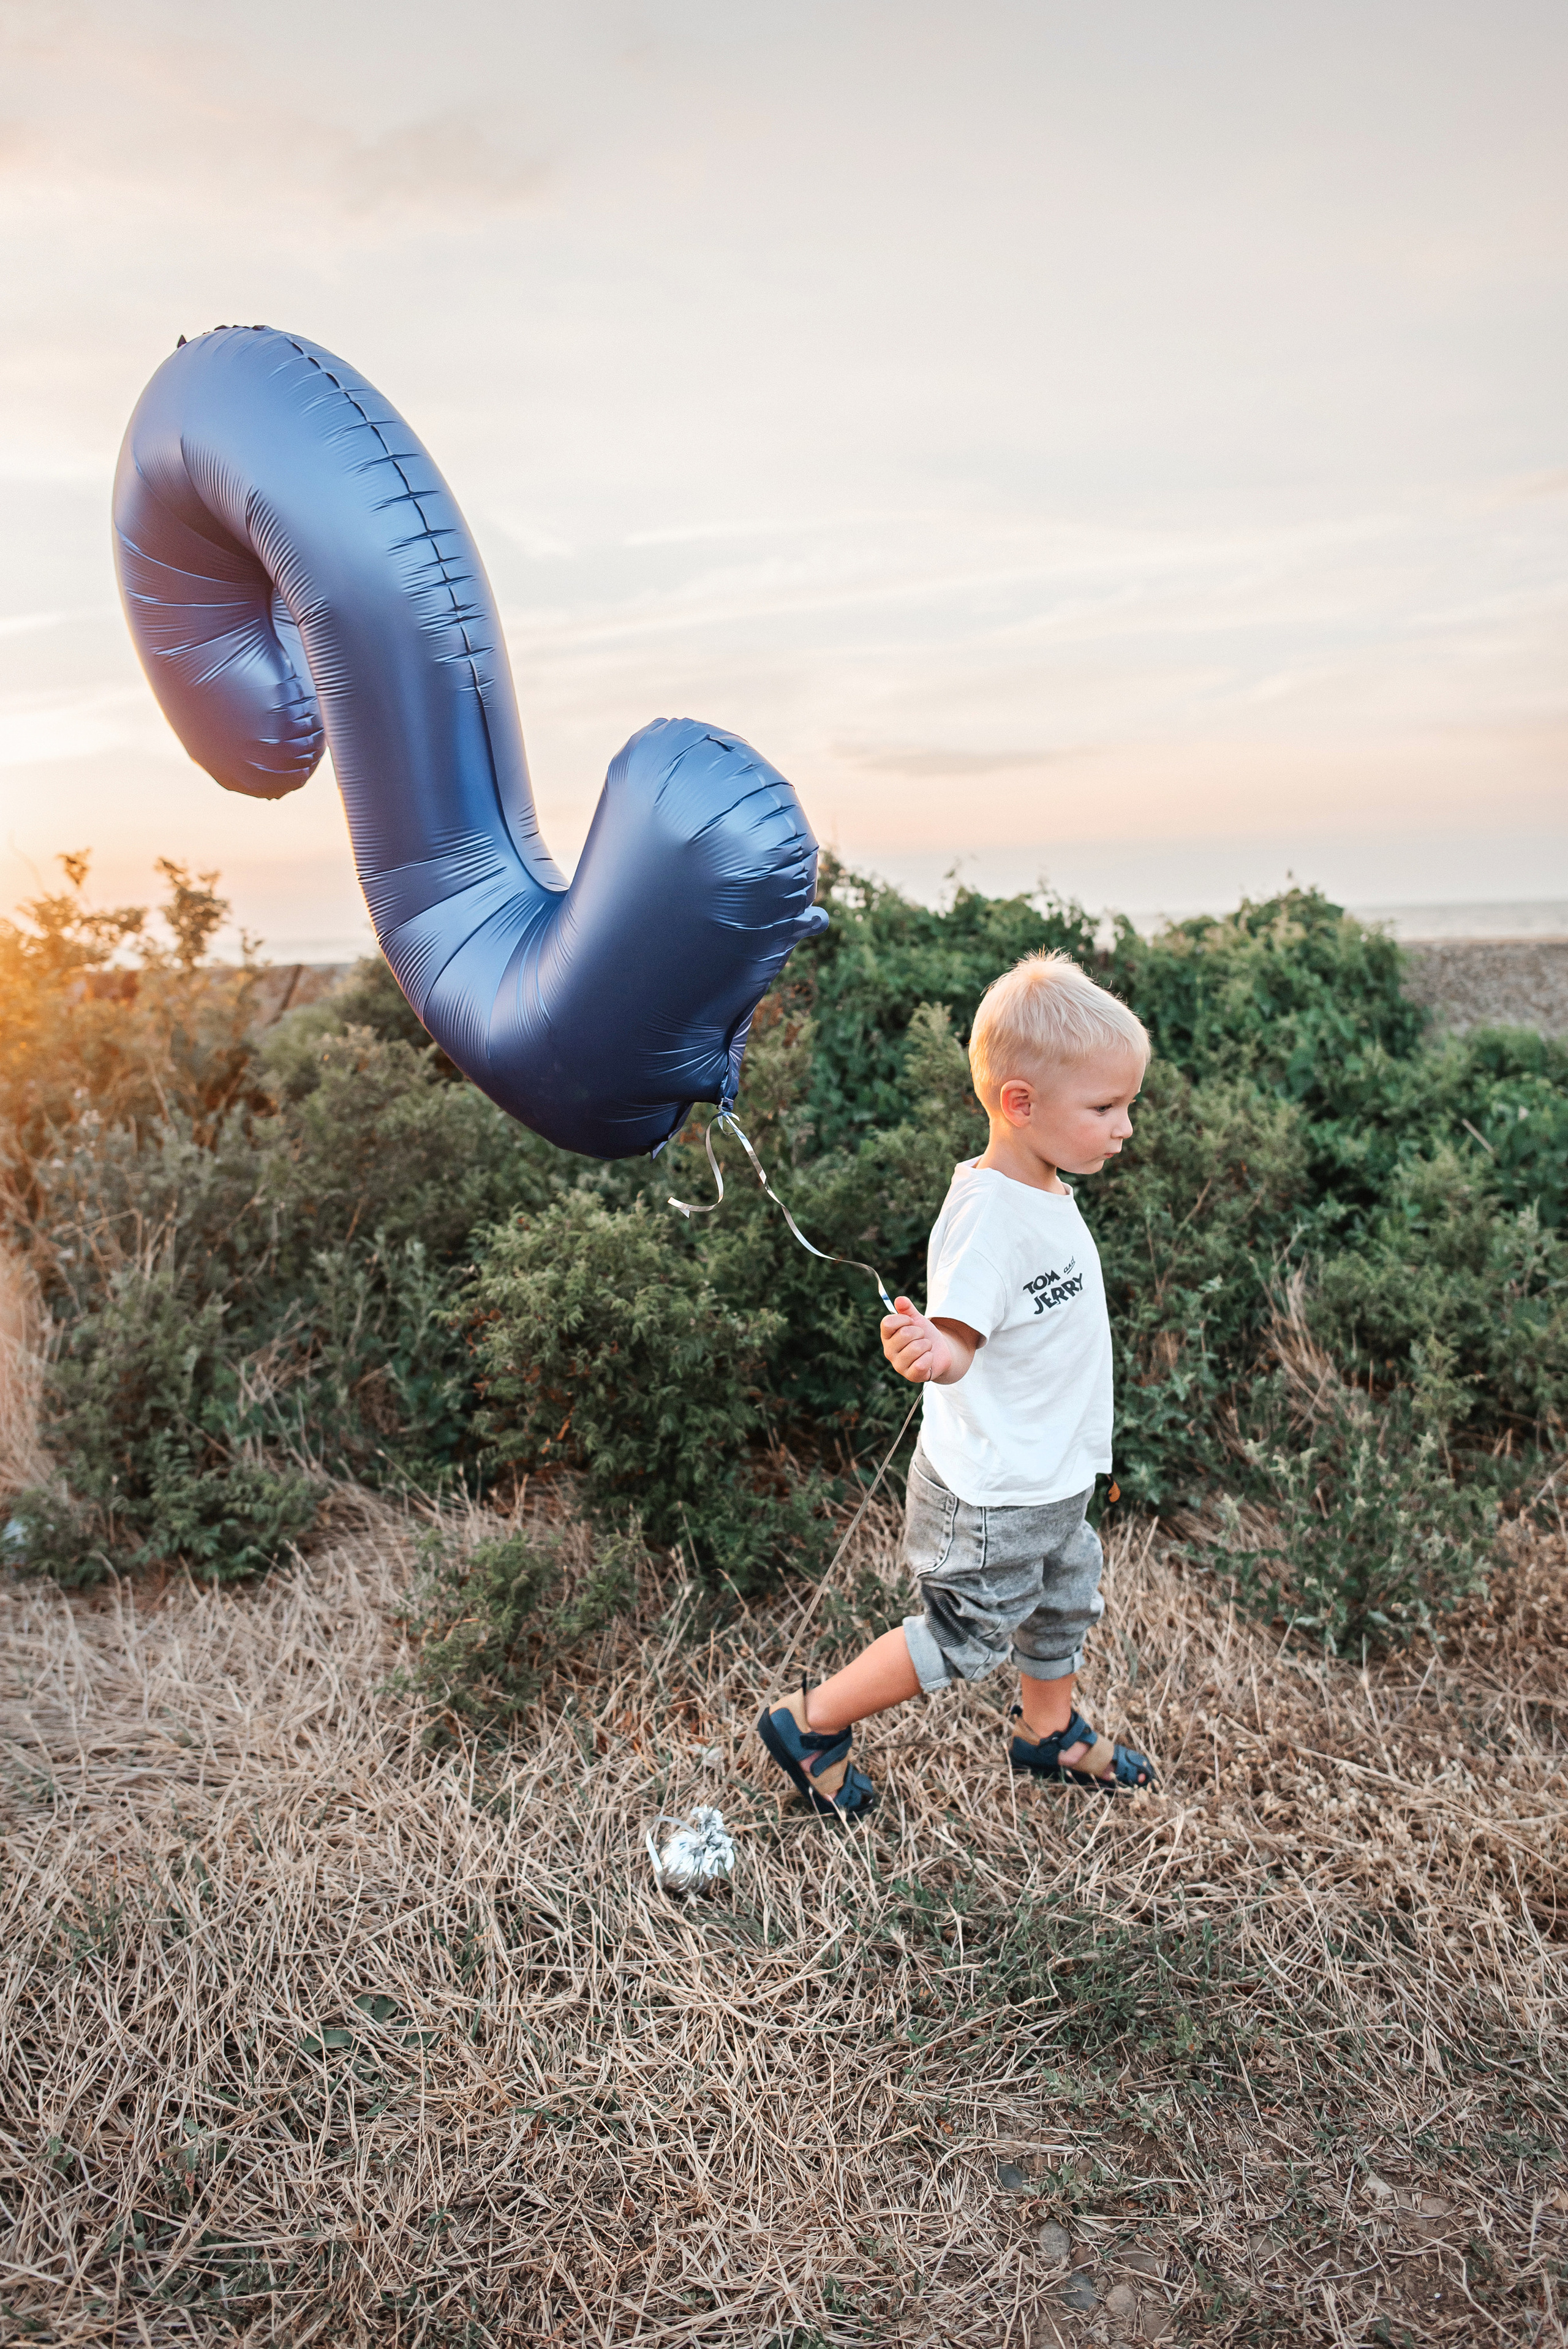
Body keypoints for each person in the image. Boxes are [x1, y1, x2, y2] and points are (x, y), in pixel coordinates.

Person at [758, 949, 1156, 1817]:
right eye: (1106, 1107)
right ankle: (813, 1721)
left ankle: (1047, 1732)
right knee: (965, 1635)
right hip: (991, 1497)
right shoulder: (987, 1215)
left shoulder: (1043, 1180)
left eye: (1126, 1104)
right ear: (1022, 1104)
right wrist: (936, 1351)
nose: (1124, 1127)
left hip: (1048, 1476)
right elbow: (960, 1335)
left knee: (1062, 1600)